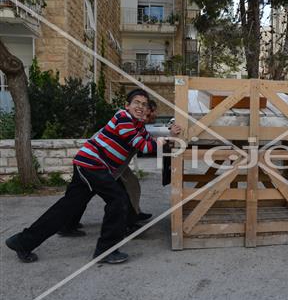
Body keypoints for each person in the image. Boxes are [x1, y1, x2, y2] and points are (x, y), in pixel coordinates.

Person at [5, 89, 159, 264]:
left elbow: (149, 140)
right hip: (93, 165)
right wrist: (165, 143)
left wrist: (171, 134)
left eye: (144, 104)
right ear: (127, 105)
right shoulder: (123, 118)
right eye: (136, 103)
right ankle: (105, 251)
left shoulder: (137, 124)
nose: (140, 107)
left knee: (68, 206)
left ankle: (22, 242)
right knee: (118, 200)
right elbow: (144, 147)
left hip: (90, 165)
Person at [57, 100, 181, 237]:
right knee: (116, 193)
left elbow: (153, 135)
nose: (149, 117)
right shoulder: (128, 122)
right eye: (148, 114)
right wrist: (170, 134)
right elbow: (148, 142)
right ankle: (128, 224)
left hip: (107, 163)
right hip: (98, 162)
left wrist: (169, 133)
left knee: (90, 193)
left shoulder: (139, 124)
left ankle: (132, 217)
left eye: (150, 115)